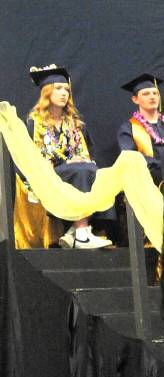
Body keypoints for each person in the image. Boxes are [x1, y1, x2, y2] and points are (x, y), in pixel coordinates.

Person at [25, 65, 112, 249]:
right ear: (46, 92)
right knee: (82, 171)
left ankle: (77, 230)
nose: (64, 93)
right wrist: (65, 161)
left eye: (66, 89)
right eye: (58, 88)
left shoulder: (76, 123)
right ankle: (81, 232)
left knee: (94, 172)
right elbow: (34, 159)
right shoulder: (35, 122)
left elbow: (86, 153)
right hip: (47, 175)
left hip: (75, 171)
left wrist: (78, 160)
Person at [117, 73, 164, 187]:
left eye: (155, 93)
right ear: (135, 99)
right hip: (151, 183)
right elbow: (132, 159)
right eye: (146, 94)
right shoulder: (128, 128)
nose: (152, 97)